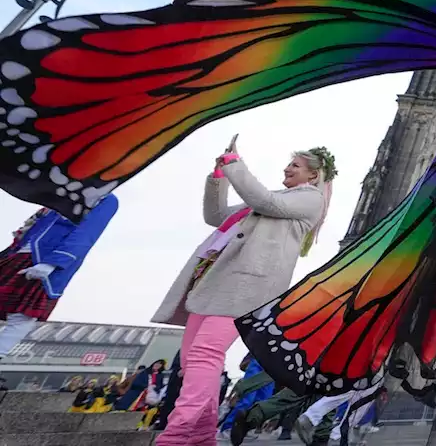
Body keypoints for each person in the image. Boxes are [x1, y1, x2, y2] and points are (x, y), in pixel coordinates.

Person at [152, 145, 333, 446]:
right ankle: (201, 436)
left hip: (247, 285)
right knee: (191, 361)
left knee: (205, 354)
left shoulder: (309, 199)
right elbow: (217, 215)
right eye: (289, 163)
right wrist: (218, 176)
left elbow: (264, 199)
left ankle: (177, 432)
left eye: (296, 165)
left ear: (314, 175)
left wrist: (236, 164)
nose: (287, 168)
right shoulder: (273, 200)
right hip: (211, 281)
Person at [0, 197, 118, 357]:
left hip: (45, 260)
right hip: (17, 254)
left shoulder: (105, 198)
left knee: (23, 316)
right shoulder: (64, 191)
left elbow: (86, 234)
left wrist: (53, 263)